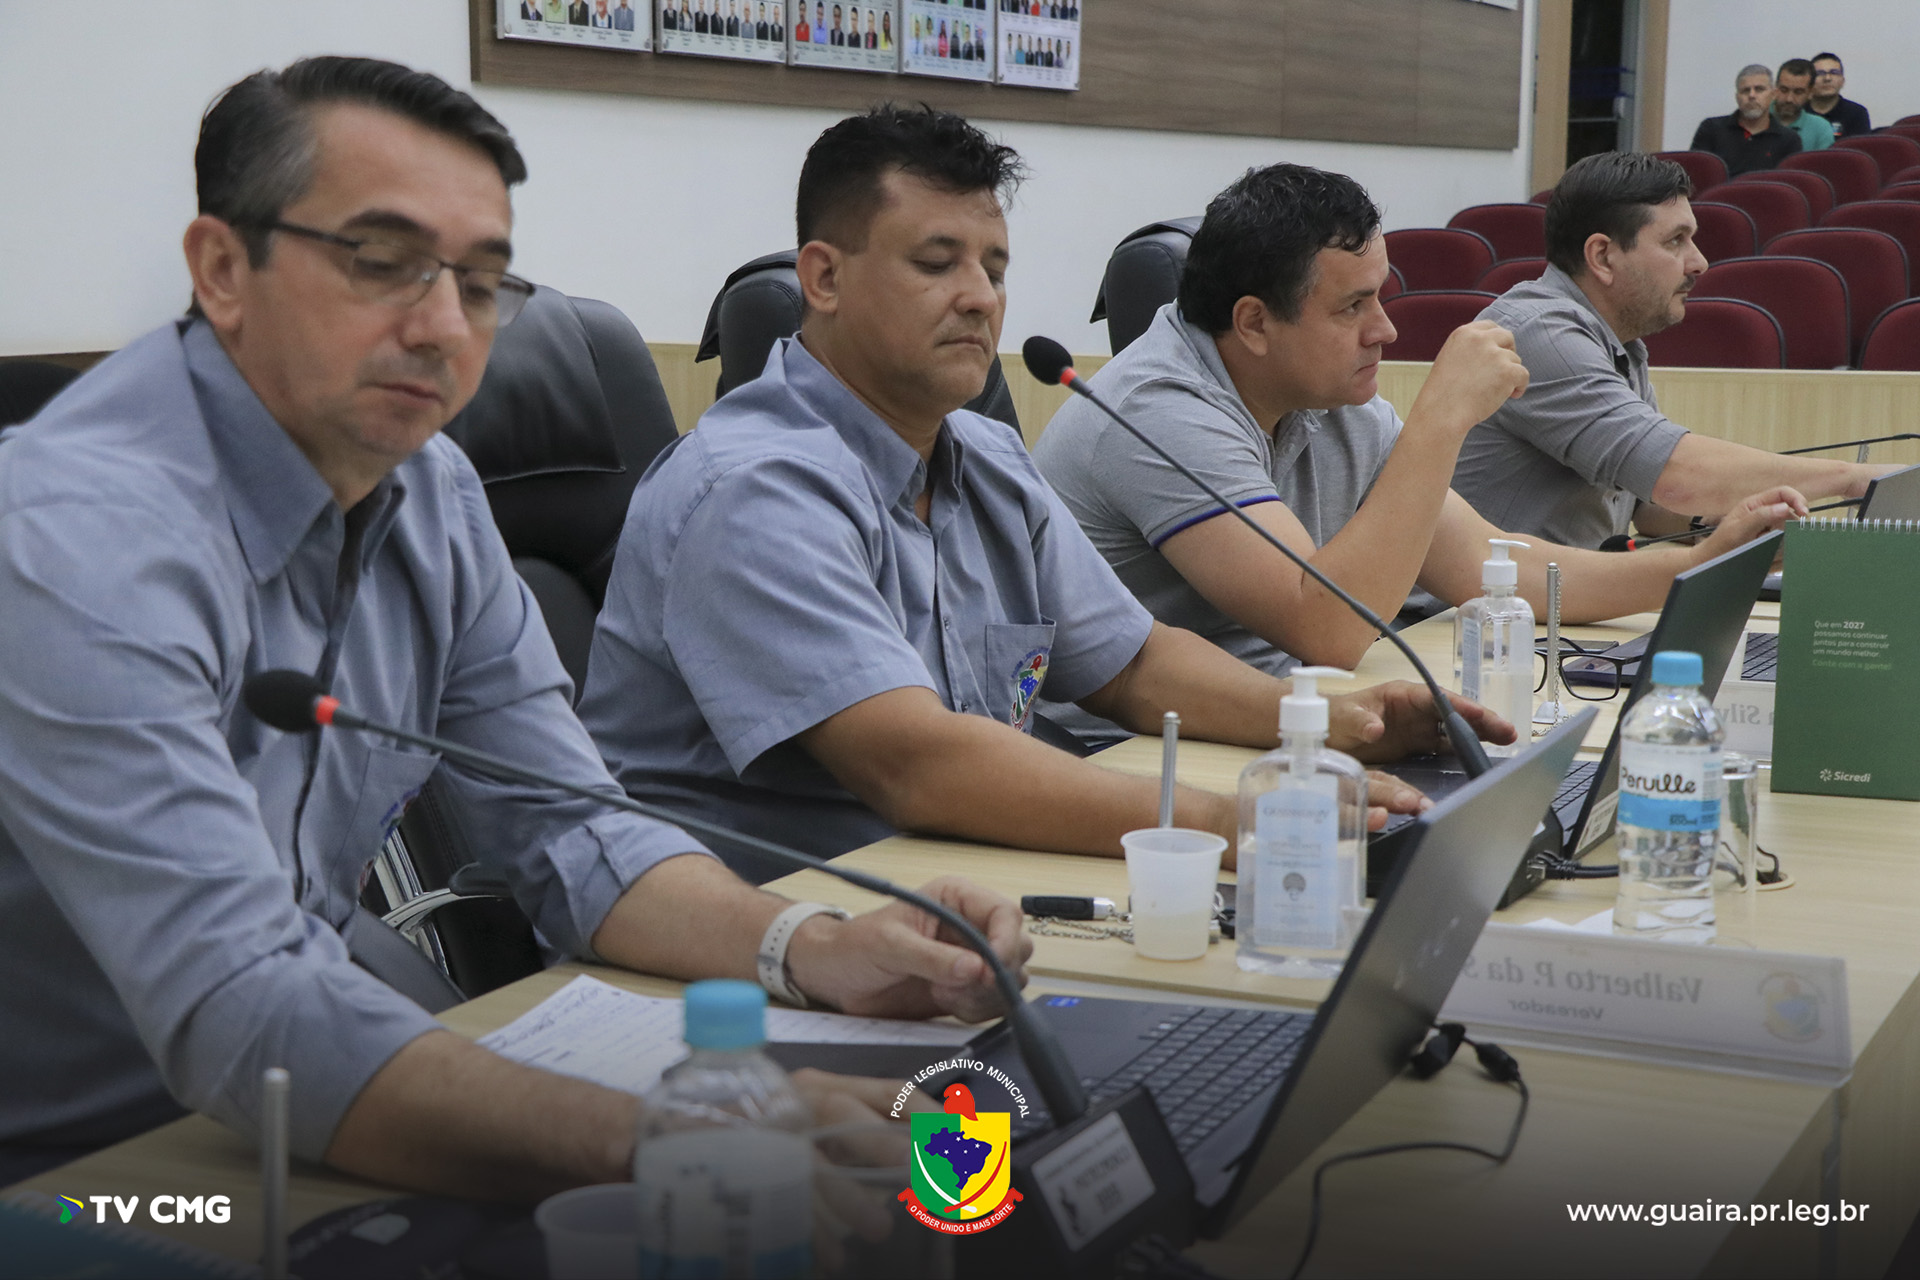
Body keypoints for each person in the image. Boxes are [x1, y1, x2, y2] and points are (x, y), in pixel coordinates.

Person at [0, 58, 1030, 1194]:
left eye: (482, 281)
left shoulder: (429, 488)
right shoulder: (70, 535)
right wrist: (671, 1131)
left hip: (312, 1107)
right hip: (81, 1172)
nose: (445, 326)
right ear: (223, 269)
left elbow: (576, 828)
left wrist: (814, 947)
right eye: (381, 262)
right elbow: (243, 999)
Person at [579, 107, 1511, 886]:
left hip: (957, 881)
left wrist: (1343, 723)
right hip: (765, 936)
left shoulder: (985, 457)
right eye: (936, 263)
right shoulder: (752, 489)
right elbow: (919, 767)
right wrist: (1230, 820)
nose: (980, 298)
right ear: (823, 278)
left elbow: (1135, 665)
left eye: (994, 268)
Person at [1031, 163, 1802, 691]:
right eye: (1353, 307)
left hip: (1289, 714)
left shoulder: (1328, 394)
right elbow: (1326, 628)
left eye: (1381, 296)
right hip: (1135, 753)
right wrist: (1440, 419)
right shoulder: (1160, 408)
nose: (1386, 331)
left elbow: (1493, 568)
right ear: (1255, 323)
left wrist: (1698, 563)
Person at [1452, 151, 1890, 550]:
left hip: (1553, 603)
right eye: (1675, 240)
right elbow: (1674, 474)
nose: (1699, 262)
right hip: (1470, 611)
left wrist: (1728, 525)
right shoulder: (1541, 334)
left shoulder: (1619, 342)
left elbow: (1646, 505)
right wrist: (1852, 479)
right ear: (1602, 256)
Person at [1689, 64, 1801, 177]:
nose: (1751, 95)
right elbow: (1694, 175)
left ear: (1773, 94)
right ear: (1737, 97)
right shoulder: (1711, 129)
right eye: (1745, 90)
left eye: (1759, 89)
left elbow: (1790, 182)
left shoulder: (1789, 139)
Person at [1772, 58, 1834, 153]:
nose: (1789, 99)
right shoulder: (1757, 118)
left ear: (1811, 93)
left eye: (1798, 92)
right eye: (1784, 90)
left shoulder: (1820, 129)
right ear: (1775, 88)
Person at [1807, 52, 1872, 140]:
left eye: (1834, 73)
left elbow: (1859, 147)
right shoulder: (1800, 111)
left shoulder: (1857, 113)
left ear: (1842, 81)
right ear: (1809, 80)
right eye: (1820, 73)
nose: (1827, 78)